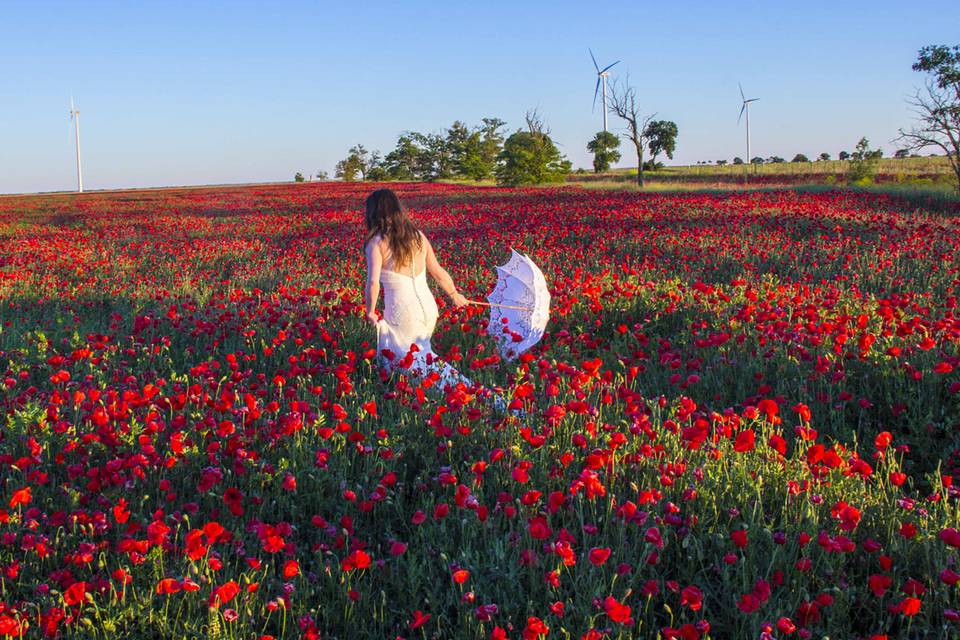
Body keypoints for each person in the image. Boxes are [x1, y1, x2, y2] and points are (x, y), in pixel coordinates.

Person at [362, 188, 478, 394]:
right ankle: (459, 392)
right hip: (428, 308)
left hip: (403, 311)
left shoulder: (376, 243)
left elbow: (373, 283)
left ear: (373, 212)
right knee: (421, 357)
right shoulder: (418, 236)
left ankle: (464, 393)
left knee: (406, 360)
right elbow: (438, 272)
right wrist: (454, 295)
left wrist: (370, 311)